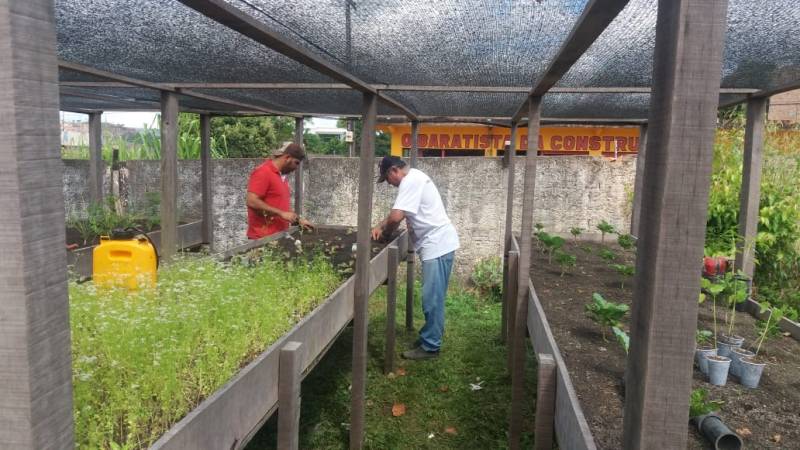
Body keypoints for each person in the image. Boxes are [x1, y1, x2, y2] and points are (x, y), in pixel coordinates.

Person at [371, 156, 459, 360]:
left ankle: (431, 347)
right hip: (439, 244)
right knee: (434, 297)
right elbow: (397, 212)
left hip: (437, 246)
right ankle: (431, 335)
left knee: (432, 299)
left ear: (394, 171)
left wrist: (386, 234)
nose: (390, 185)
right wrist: (380, 225)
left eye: (387, 179)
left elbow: (396, 217)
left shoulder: (409, 181)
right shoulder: (416, 176)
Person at [246, 142, 313, 239]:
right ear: (287, 158)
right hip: (262, 239)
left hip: (278, 237)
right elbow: (251, 201)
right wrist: (281, 213)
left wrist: (299, 220)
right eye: (296, 163)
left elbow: (281, 207)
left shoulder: (281, 177)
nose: (296, 167)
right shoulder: (263, 172)